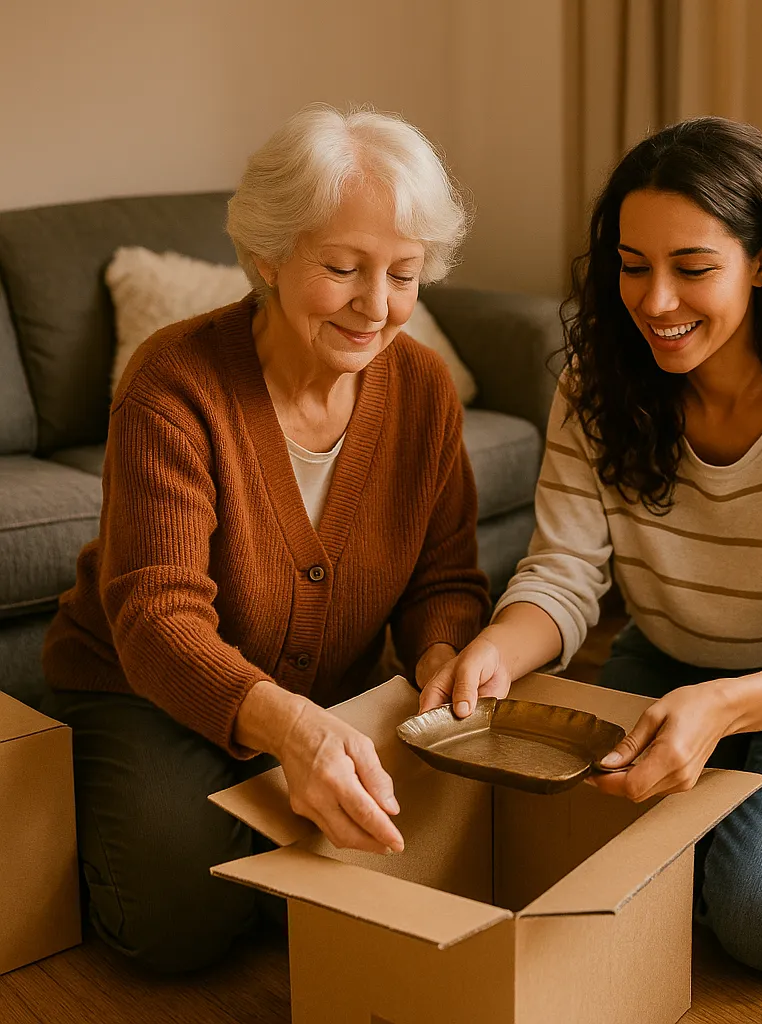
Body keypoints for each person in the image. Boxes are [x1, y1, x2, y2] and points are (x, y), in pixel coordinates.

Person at [420, 117, 762, 975]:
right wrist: (496, 649)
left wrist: (726, 709)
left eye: (692, 269)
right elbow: (563, 574)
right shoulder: (595, 385)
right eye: (632, 266)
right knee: (567, 865)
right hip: (664, 663)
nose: (655, 302)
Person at [42, 103, 489, 972]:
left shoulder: (424, 388)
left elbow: (445, 579)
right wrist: (295, 733)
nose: (377, 306)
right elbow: (158, 619)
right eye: (343, 268)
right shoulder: (173, 385)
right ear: (266, 258)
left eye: (404, 273)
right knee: (173, 923)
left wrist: (440, 656)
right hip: (148, 686)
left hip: (326, 698)